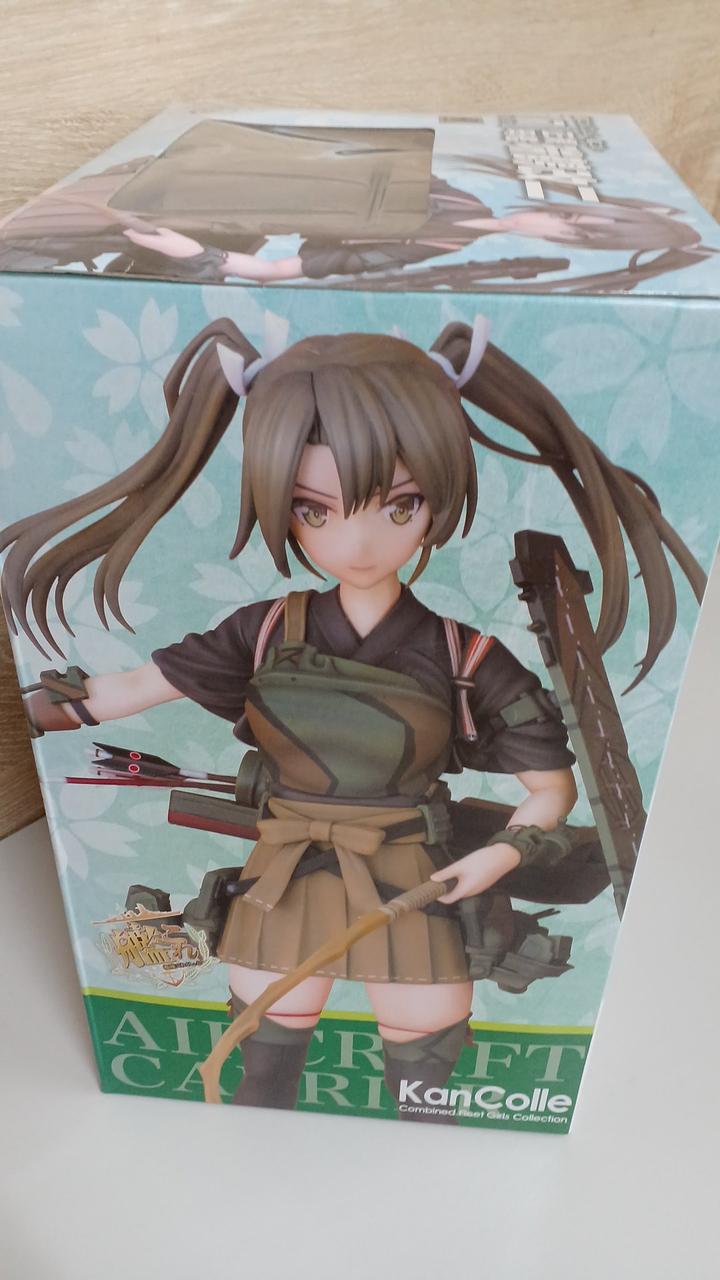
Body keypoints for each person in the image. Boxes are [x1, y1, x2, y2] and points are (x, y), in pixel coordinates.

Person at [0, 319, 705, 1118]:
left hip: (415, 877)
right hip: (283, 880)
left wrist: (498, 859)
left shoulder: (465, 655)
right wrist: (37, 712)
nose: (359, 540)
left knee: (424, 1088)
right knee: (261, 1078)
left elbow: (551, 789)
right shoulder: (265, 631)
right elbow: (128, 688)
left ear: (435, 499)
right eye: (315, 510)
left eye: (401, 504)